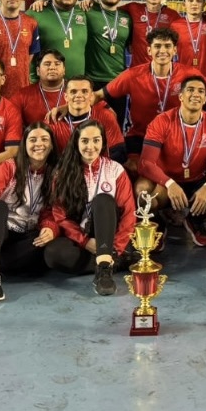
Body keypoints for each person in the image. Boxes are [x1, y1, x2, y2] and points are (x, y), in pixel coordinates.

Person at [0, 123, 67, 302]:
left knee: (49, 249)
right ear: (24, 144)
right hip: (0, 233)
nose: (38, 144)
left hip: (27, 235)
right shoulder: (8, 167)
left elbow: (53, 210)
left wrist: (50, 228)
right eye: (32, 139)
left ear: (51, 145)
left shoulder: (56, 173)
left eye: (44, 139)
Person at [138, 76, 206, 247]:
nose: (195, 94)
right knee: (145, 197)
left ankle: (194, 219)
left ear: (205, 99)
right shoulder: (162, 121)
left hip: (197, 179)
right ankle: (159, 222)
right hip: (167, 180)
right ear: (181, 96)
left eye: (201, 91)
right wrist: (169, 183)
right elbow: (145, 163)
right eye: (190, 90)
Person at [51, 119, 137, 295]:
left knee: (103, 200)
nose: (91, 146)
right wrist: (84, 241)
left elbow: (129, 214)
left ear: (103, 142)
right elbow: (60, 215)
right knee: (52, 254)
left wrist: (116, 247)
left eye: (96, 140)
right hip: (83, 238)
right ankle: (115, 261)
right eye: (85, 141)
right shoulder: (63, 173)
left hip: (110, 236)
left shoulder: (115, 170)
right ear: (76, 143)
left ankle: (105, 268)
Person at [100, 29, 206, 167]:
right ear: (149, 50)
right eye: (157, 46)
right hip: (141, 135)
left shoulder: (188, 74)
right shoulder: (133, 75)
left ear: (175, 50)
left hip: (176, 136)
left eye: (167, 46)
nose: (162, 50)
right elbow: (99, 95)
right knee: (135, 169)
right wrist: (69, 106)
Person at [50, 75, 126, 163]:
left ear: (91, 96)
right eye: (73, 92)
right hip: (65, 172)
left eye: (84, 91)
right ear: (66, 97)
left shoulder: (105, 116)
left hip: (99, 171)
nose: (79, 95)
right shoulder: (53, 120)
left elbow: (118, 153)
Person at [28, 0, 89, 76]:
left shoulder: (84, 12)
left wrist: (91, 1)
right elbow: (25, 51)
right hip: (47, 84)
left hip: (77, 84)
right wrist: (33, 79)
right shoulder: (35, 13)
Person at [85, 0, 132, 92]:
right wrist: (45, 1)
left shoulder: (127, 18)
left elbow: (129, 46)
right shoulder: (87, 12)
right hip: (92, 79)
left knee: (117, 111)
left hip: (118, 79)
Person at [124, 0, 181, 67]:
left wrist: (205, 15)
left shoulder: (172, 15)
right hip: (138, 69)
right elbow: (110, 11)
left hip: (162, 70)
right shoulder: (133, 8)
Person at [170, 0, 206, 83]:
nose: (194, 4)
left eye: (198, 1)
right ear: (184, 3)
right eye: (190, 0)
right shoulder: (175, 26)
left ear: (204, 4)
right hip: (183, 80)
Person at [10, 48, 66, 126]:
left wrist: (71, 107)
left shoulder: (76, 92)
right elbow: (11, 125)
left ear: (64, 70)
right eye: (47, 64)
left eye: (57, 64)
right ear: (38, 71)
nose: (52, 67)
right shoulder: (22, 95)